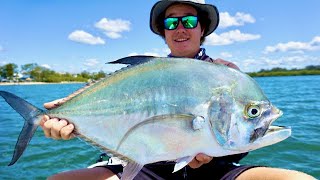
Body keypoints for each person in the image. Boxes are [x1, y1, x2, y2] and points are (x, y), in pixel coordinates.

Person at [41, 0, 315, 179]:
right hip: (148, 166)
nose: (180, 28)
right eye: (171, 22)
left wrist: (213, 153)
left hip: (214, 172)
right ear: (163, 31)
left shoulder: (227, 76)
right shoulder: (142, 74)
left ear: (202, 27)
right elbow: (113, 107)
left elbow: (238, 143)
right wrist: (70, 116)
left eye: (189, 20)